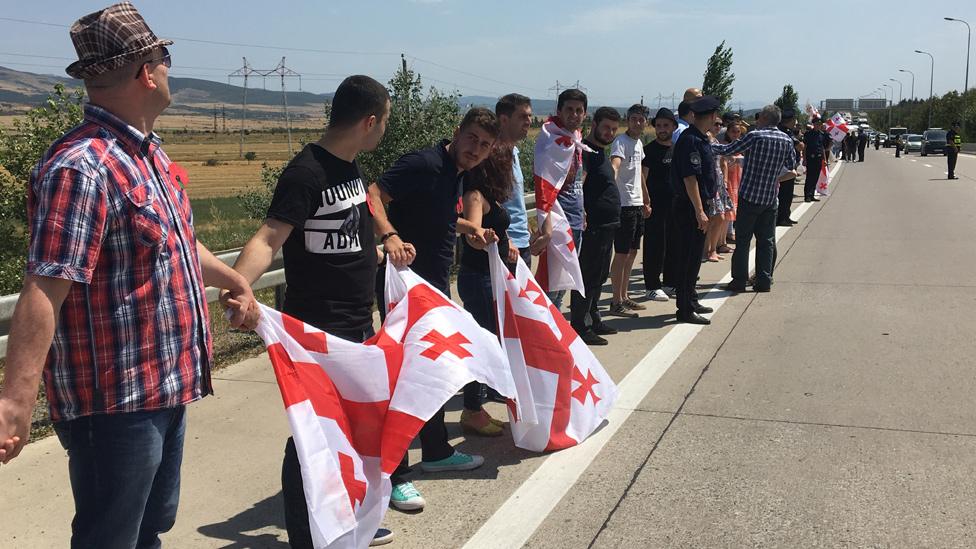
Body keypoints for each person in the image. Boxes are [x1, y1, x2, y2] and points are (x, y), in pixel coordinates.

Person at [0, 4, 260, 547]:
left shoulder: (147, 156)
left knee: (149, 528)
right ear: (147, 70)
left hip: (165, 388)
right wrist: (14, 403)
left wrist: (234, 280)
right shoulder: (81, 167)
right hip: (115, 405)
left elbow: (180, 244)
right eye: (164, 58)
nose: (169, 69)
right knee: (110, 537)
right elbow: (46, 287)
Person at [226, 75, 398, 546]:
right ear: (369, 121)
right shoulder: (307, 172)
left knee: (352, 429)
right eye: (383, 122)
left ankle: (348, 520)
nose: (383, 130)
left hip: (355, 324)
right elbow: (269, 237)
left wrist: (379, 250)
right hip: (317, 329)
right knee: (313, 435)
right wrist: (240, 287)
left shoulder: (350, 168)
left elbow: (345, 234)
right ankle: (307, 537)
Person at [367, 108, 499, 506]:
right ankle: (395, 474)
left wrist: (470, 231)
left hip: (434, 289)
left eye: (485, 145)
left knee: (434, 373)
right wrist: (389, 235)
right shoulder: (424, 163)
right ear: (457, 133)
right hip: (405, 288)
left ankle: (438, 452)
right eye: (473, 139)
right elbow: (372, 193)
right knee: (405, 380)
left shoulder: (457, 174)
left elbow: (435, 216)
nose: (477, 149)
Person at [457, 145, 516, 435]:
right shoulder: (476, 195)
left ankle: (476, 408)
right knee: (483, 345)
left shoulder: (489, 195)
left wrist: (506, 244)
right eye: (504, 164)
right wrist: (483, 240)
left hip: (490, 277)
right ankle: (471, 410)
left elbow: (496, 229)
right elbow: (472, 234)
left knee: (491, 341)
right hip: (479, 278)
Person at [714, 104, 799, 294]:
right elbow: (793, 168)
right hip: (770, 197)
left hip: (750, 196)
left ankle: (739, 280)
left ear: (765, 119)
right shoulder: (786, 139)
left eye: (759, 117)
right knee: (766, 241)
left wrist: (707, 144)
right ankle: (764, 280)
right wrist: (775, 177)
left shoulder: (755, 136)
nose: (756, 120)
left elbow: (729, 148)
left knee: (743, 240)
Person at [570, 107, 622, 344]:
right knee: (588, 276)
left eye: (613, 129)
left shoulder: (601, 151)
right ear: (594, 125)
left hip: (608, 224)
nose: (609, 132)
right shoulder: (586, 153)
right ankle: (580, 325)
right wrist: (582, 213)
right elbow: (578, 184)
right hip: (593, 226)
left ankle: (594, 316)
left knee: (600, 275)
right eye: (606, 128)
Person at [670, 96, 722, 325]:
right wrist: (700, 211)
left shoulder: (700, 139)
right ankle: (684, 309)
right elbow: (690, 178)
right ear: (710, 117)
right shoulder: (690, 140)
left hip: (698, 205)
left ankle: (691, 299)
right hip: (689, 207)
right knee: (687, 260)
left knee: (694, 258)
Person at [546, 89, 588, 308]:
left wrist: (582, 212)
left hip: (576, 219)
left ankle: (556, 330)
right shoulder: (553, 141)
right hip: (558, 222)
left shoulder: (576, 139)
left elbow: (575, 182)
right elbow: (548, 187)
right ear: (559, 111)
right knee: (552, 286)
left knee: (565, 283)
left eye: (579, 110)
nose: (574, 114)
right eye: (569, 109)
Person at [497, 93, 548, 267]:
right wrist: (506, 238)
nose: (528, 121)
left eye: (529, 116)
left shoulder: (514, 152)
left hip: (521, 243)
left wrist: (527, 231)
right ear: (504, 120)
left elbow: (513, 202)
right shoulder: (494, 155)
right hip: (506, 248)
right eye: (522, 116)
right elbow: (491, 202)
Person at [608, 104, 649, 316]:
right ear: (628, 120)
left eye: (641, 119)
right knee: (622, 254)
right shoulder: (620, 142)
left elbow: (639, 174)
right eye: (634, 119)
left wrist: (646, 198)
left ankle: (624, 296)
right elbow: (615, 165)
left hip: (636, 203)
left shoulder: (639, 143)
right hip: (624, 205)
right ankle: (615, 301)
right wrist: (611, 194)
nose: (637, 122)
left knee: (632, 252)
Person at [641, 108, 679, 302]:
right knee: (655, 246)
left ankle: (670, 282)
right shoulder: (649, 151)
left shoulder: (677, 149)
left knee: (673, 244)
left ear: (674, 126)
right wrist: (645, 202)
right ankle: (652, 286)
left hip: (675, 205)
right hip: (655, 206)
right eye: (658, 126)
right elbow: (643, 178)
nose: (662, 129)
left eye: (666, 125)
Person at [703, 117, 734, 263]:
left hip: (719, 181)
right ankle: (710, 250)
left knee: (720, 216)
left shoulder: (715, 140)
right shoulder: (707, 138)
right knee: (718, 217)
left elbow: (722, 161)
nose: (718, 126)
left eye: (720, 124)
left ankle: (712, 249)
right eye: (716, 123)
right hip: (711, 181)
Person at [776, 110, 801, 224]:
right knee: (784, 194)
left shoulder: (786, 131)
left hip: (786, 168)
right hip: (784, 169)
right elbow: (800, 146)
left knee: (787, 194)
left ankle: (785, 216)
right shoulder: (785, 132)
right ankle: (782, 217)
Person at [803, 117, 826, 203]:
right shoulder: (808, 134)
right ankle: (807, 196)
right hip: (811, 158)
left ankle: (812, 195)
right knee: (809, 177)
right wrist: (804, 159)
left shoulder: (821, 134)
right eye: (817, 124)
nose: (818, 126)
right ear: (813, 124)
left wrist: (825, 159)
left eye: (819, 124)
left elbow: (822, 147)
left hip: (819, 158)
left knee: (816, 178)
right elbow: (805, 147)